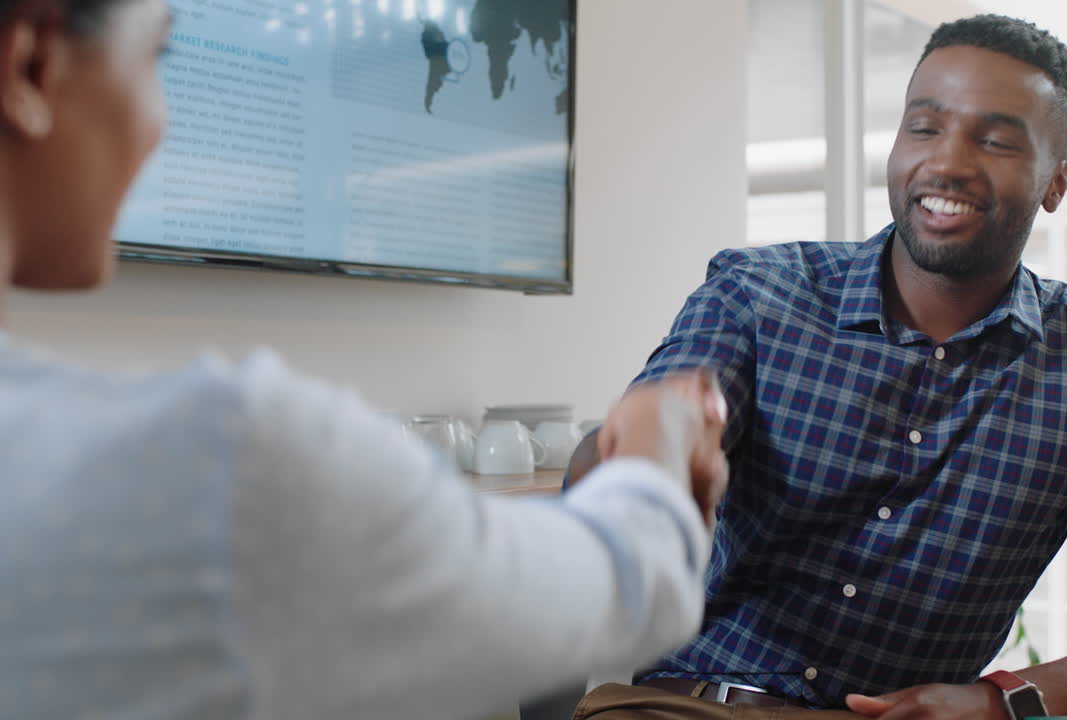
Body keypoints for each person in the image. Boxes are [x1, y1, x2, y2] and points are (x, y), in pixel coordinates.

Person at [0, 0, 732, 718]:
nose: (161, 125)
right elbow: (619, 589)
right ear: (29, 66)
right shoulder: (221, 455)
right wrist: (655, 451)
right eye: (158, 55)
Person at [567, 13, 1067, 720]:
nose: (947, 161)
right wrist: (644, 449)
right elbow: (612, 473)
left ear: (1057, 182)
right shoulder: (758, 294)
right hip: (693, 706)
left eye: (995, 141)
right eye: (924, 128)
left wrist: (1001, 702)